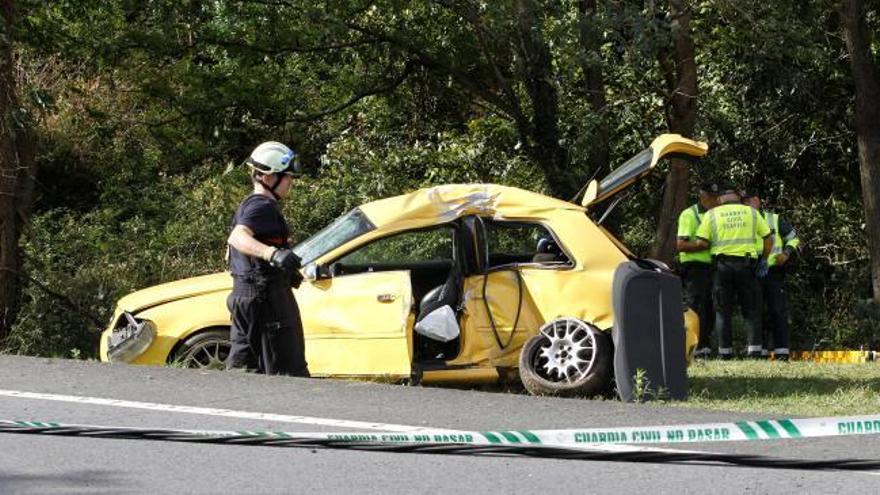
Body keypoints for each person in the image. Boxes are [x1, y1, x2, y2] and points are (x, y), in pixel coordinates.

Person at [225, 141, 310, 376]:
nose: (291, 182)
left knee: (244, 371)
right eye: (287, 177)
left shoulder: (250, 204)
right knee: (286, 374)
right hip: (266, 299)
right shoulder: (262, 206)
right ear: (269, 178)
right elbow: (237, 237)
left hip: (245, 296)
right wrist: (272, 254)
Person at [680, 182, 772, 359]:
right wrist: (764, 260)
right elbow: (768, 239)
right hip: (747, 267)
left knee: (723, 311)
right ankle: (754, 351)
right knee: (751, 310)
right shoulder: (751, 213)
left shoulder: (712, 214)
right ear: (738, 197)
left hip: (722, 268)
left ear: (721, 198)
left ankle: (725, 353)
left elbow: (701, 242)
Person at [741, 190, 801, 361]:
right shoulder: (742, 221)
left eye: (749, 200)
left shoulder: (773, 219)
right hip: (752, 271)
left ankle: (782, 352)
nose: (746, 204)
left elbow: (793, 238)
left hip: (774, 272)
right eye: (743, 202)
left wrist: (787, 253)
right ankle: (755, 353)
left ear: (758, 200)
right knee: (754, 311)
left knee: (777, 311)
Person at [676, 181, 718, 358]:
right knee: (696, 307)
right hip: (695, 267)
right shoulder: (689, 214)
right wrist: (703, 246)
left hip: (713, 266)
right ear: (703, 197)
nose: (716, 201)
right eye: (712, 198)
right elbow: (680, 244)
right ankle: (694, 346)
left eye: (717, 198)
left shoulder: (717, 214)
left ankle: (705, 345)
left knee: (711, 307)